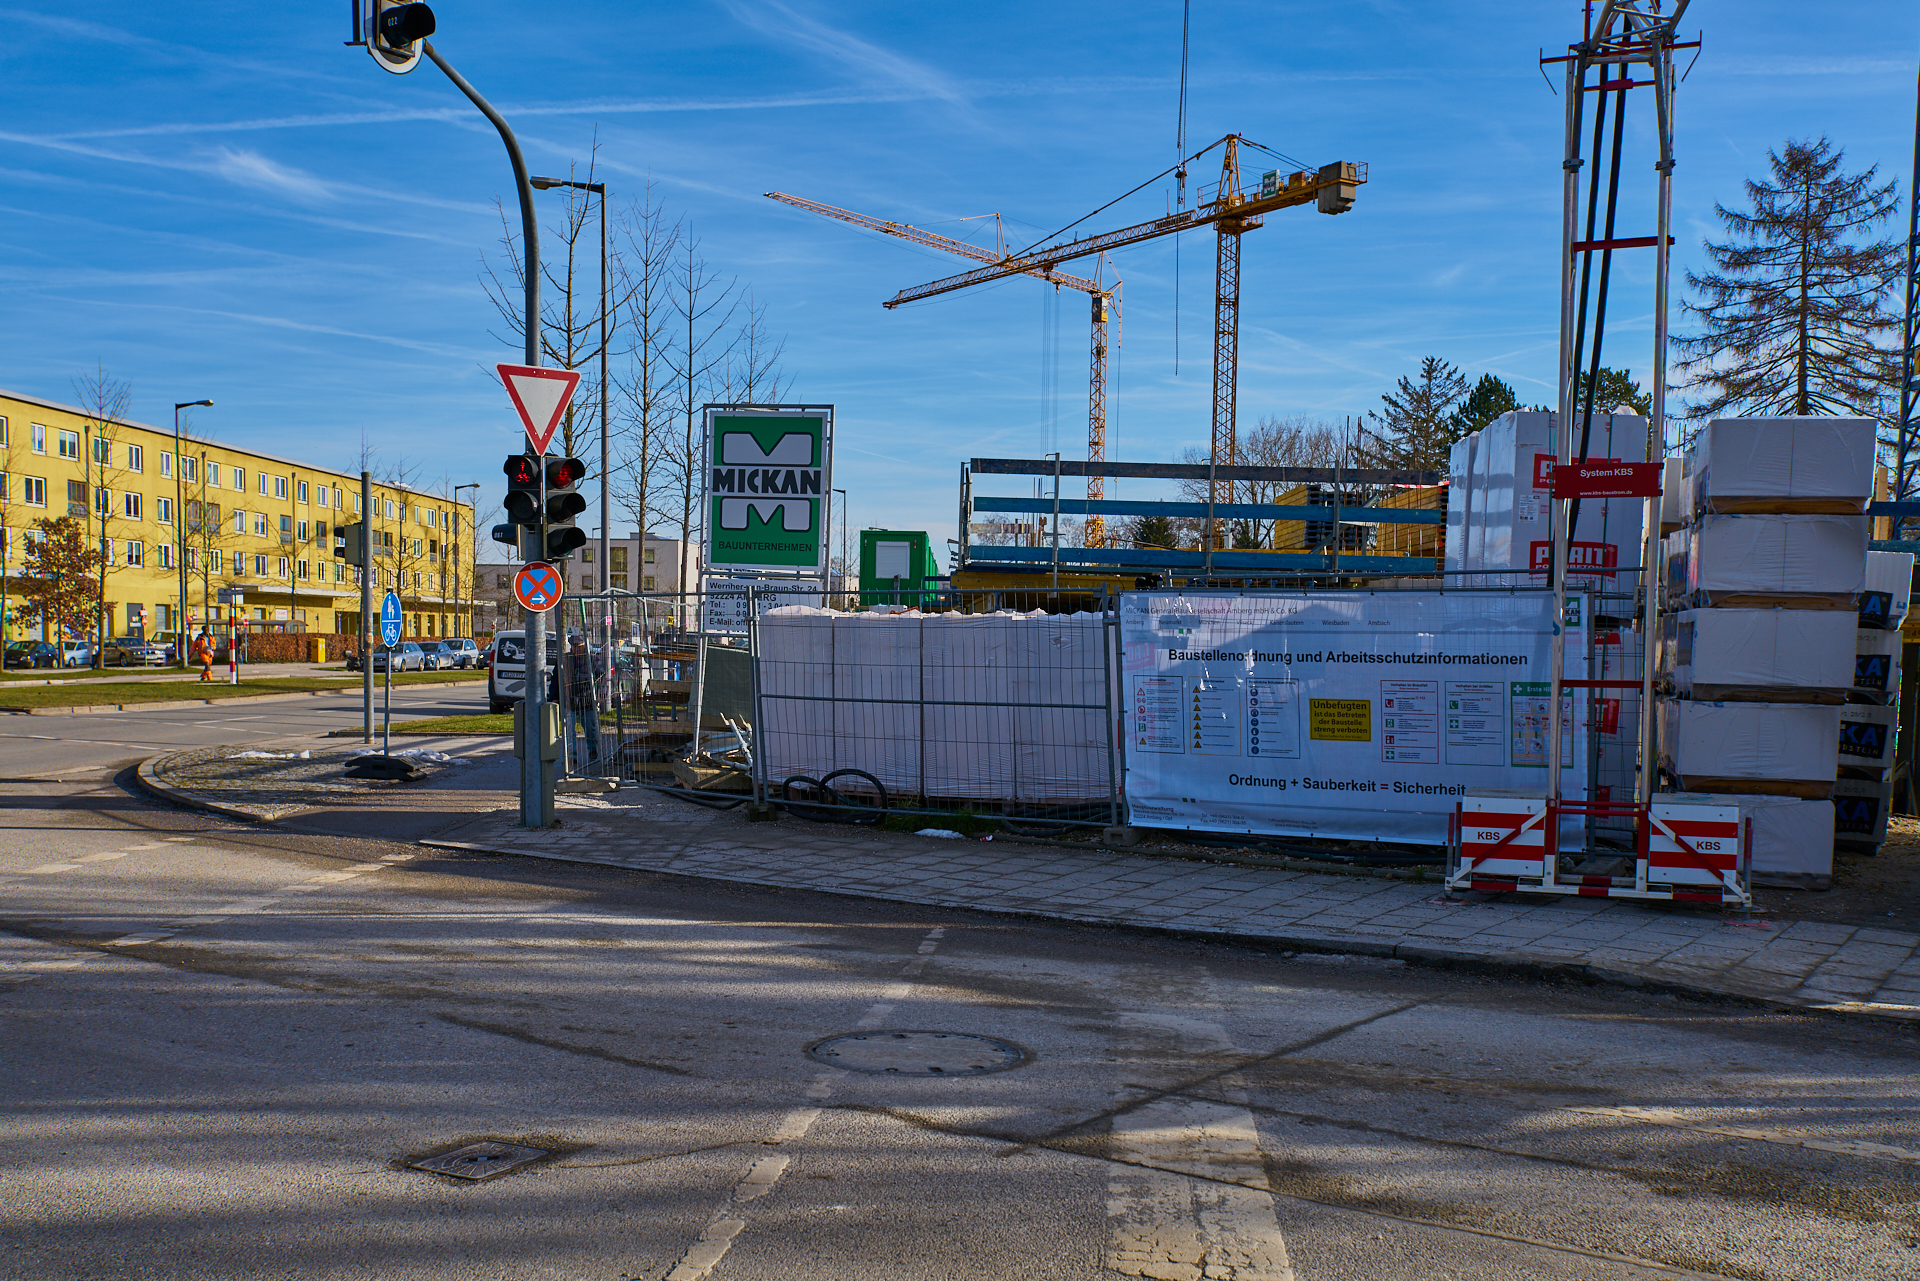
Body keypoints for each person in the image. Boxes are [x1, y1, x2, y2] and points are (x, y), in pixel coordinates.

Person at [564, 638, 602, 774]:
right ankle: (572, 755)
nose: (576, 649)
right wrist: (555, 696)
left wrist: (599, 696)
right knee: (569, 729)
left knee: (590, 728)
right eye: (573, 646)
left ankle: (592, 749)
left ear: (584, 647)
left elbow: (601, 679)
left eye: (578, 647)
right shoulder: (566, 660)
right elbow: (558, 677)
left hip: (587, 701)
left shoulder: (593, 660)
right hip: (570, 700)